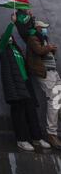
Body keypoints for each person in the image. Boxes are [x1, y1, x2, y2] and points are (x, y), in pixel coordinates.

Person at [0, 14, 50, 151]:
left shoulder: (16, 49)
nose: (10, 39)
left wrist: (30, 18)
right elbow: (6, 37)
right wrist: (12, 24)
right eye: (8, 37)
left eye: (11, 38)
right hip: (14, 86)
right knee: (18, 113)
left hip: (25, 83)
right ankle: (22, 140)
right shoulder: (2, 49)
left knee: (31, 111)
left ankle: (37, 138)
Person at [26, 20, 61, 149]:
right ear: (38, 28)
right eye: (43, 27)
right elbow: (39, 51)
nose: (45, 29)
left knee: (58, 100)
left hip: (53, 73)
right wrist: (49, 48)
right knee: (53, 101)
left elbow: (45, 53)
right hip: (45, 74)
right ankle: (51, 134)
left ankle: (54, 130)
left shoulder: (43, 38)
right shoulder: (33, 38)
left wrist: (51, 50)